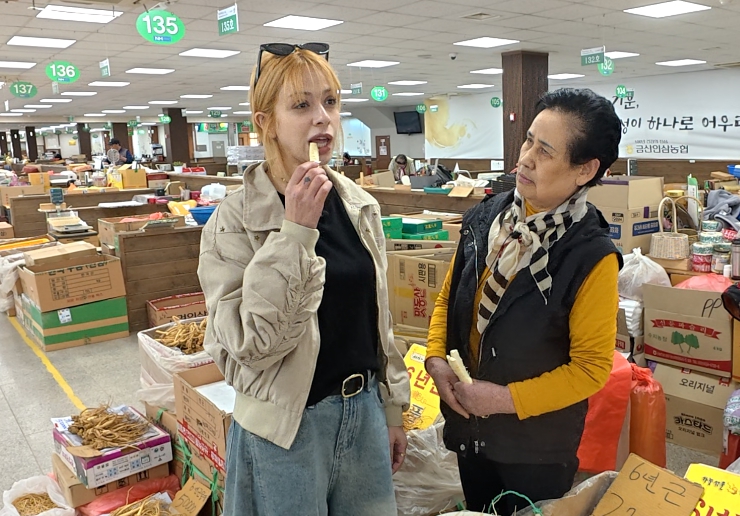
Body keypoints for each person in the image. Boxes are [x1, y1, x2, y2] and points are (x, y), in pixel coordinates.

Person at [197, 42, 410, 516]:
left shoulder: (358, 204)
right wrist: (294, 233)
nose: (323, 119)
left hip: (364, 414)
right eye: (301, 105)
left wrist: (392, 408)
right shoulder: (234, 221)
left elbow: (380, 320)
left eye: (330, 102)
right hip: (285, 432)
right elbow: (250, 346)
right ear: (266, 122)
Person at [425, 88, 623, 515]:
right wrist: (436, 358)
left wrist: (502, 399)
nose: (527, 159)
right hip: (469, 430)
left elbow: (590, 370)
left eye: (545, 151)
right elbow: (449, 295)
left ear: (585, 169)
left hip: (534, 449)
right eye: (528, 141)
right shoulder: (487, 216)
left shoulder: (590, 256)